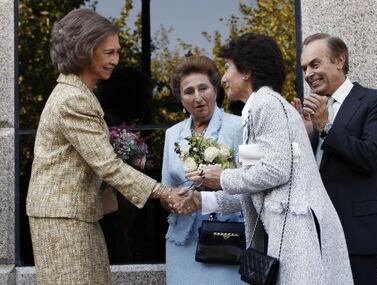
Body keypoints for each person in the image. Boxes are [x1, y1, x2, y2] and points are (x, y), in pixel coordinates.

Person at [180, 33, 354, 284]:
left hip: (299, 233)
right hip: (288, 235)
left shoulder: (266, 105)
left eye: (227, 68)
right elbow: (254, 181)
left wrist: (222, 176)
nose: (224, 78)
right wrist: (202, 200)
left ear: (247, 71)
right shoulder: (254, 111)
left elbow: (275, 170)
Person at [25, 9, 183, 284]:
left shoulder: (79, 93)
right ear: (85, 49)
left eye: (117, 52)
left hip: (76, 215)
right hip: (64, 219)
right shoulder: (74, 99)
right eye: (109, 52)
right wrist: (162, 191)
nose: (115, 60)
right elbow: (107, 164)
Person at [291, 33, 377, 285]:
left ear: (340, 60)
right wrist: (306, 137)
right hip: (314, 233)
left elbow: (371, 156)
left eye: (315, 64)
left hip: (356, 235)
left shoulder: (375, 100)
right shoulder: (312, 113)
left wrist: (325, 127)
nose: (308, 74)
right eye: (304, 68)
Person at [162, 55, 244, 285]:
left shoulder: (238, 127)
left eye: (203, 88)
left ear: (215, 89)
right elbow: (165, 189)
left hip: (226, 238)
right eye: (189, 91)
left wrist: (210, 191)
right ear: (181, 98)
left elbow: (252, 188)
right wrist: (173, 199)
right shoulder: (172, 134)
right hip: (183, 241)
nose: (197, 97)